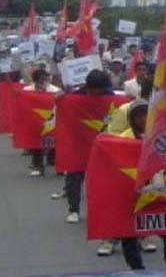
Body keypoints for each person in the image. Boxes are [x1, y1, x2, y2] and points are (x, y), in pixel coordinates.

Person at [116, 99, 166, 268]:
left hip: (161, 193)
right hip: (133, 197)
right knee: (128, 233)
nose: (143, 119)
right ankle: (137, 270)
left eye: (147, 115)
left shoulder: (165, 137)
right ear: (131, 119)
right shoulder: (122, 140)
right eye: (138, 116)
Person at [64, 69, 114, 224]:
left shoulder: (111, 97)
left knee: (104, 181)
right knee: (74, 177)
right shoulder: (76, 96)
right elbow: (63, 105)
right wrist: (61, 97)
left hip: (102, 146)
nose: (95, 93)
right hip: (79, 144)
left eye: (99, 90)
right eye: (93, 89)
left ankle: (102, 210)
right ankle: (73, 209)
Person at [24, 69, 60, 176]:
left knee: (54, 142)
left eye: (45, 79)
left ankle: (53, 160)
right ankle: (38, 166)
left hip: (51, 120)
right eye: (41, 80)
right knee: (36, 144)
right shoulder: (27, 90)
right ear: (35, 80)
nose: (44, 82)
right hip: (35, 121)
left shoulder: (55, 90)